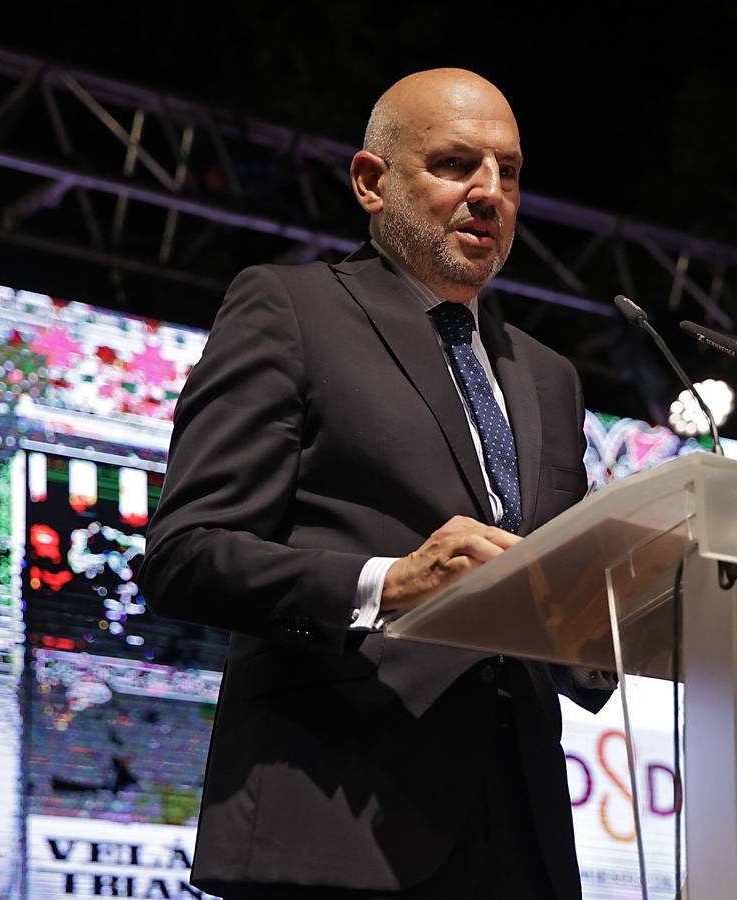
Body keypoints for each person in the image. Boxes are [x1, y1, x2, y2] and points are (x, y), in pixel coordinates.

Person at [140, 68, 613, 899]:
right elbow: (186, 554)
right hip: (336, 817)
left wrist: (631, 606)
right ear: (371, 182)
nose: (489, 192)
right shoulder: (289, 309)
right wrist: (386, 584)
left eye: (508, 170)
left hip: (521, 841)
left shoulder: (549, 376)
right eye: (455, 164)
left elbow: (562, 610)